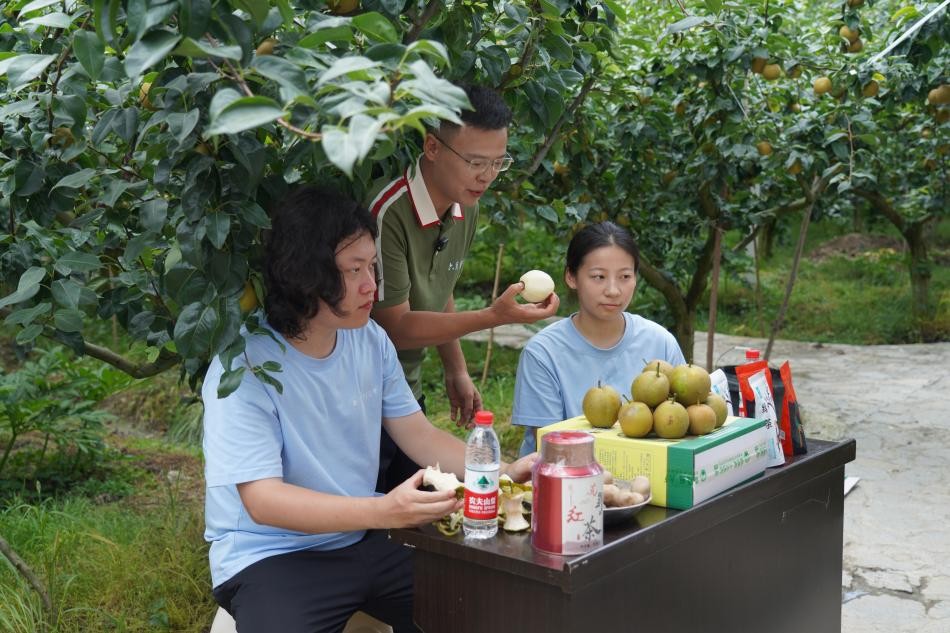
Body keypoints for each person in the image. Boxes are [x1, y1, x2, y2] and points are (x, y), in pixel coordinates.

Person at [201, 185, 536, 633]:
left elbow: (419, 435)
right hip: (272, 555)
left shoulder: (369, 340)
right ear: (303, 273)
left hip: (365, 538)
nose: (371, 286)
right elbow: (263, 501)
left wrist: (506, 472)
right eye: (353, 270)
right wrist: (385, 512)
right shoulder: (243, 367)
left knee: (484, 607)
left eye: (372, 266)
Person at [366, 84, 558, 491]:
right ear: (432, 147)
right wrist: (493, 317)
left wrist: (455, 368)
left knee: (418, 509)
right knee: (377, 506)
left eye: (498, 163)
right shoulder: (388, 213)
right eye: (475, 162)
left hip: (406, 392)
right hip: (364, 397)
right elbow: (395, 327)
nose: (486, 176)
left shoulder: (464, 205)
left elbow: (441, 286)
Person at [511, 221, 686, 457]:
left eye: (625, 276)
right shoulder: (543, 353)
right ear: (571, 277)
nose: (613, 290)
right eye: (598, 277)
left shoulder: (661, 342)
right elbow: (551, 450)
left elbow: (681, 425)